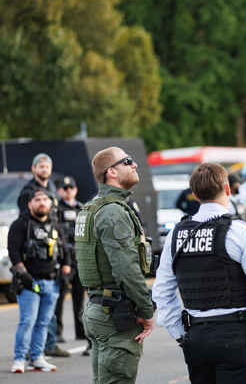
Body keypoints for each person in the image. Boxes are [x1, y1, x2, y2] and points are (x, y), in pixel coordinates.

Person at [152, 163, 246, 384]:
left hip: (195, 338)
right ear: (228, 189)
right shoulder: (240, 231)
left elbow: (162, 291)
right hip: (234, 335)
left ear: (194, 195)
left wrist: (180, 336)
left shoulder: (176, 235)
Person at [76, 147, 154, 384]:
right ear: (111, 171)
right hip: (115, 315)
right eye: (127, 161)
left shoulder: (92, 207)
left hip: (100, 308)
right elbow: (125, 269)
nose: (135, 165)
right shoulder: (112, 212)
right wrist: (146, 310)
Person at [8, 188, 71, 373]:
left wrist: (65, 275)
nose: (42, 202)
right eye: (37, 199)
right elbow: (13, 251)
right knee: (27, 321)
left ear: (50, 203)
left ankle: (37, 358)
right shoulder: (20, 224)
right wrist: (23, 275)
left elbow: (65, 252)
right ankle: (20, 359)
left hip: (52, 283)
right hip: (30, 284)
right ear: (30, 204)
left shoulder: (55, 225)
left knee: (44, 322)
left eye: (45, 199)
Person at [56, 176, 91, 355]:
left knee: (79, 296)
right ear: (60, 190)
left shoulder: (82, 209)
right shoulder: (57, 209)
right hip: (64, 258)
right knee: (60, 295)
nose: (68, 190)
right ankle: (57, 332)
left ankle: (80, 331)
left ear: (75, 190)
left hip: (80, 258)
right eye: (65, 187)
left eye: (71, 187)